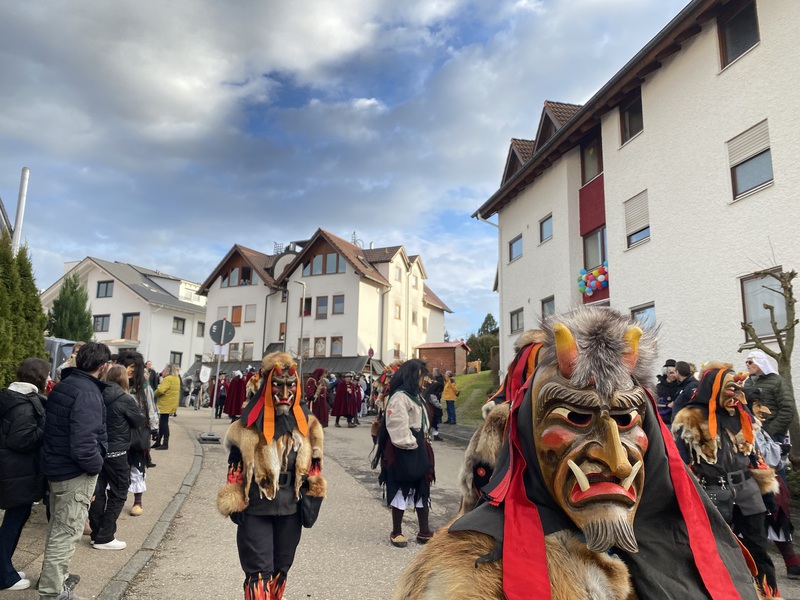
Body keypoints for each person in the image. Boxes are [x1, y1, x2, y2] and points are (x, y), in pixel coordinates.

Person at [392, 308, 759, 600]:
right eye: (576, 418)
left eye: (626, 420)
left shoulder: (693, 548)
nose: (617, 461)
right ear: (528, 435)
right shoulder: (471, 571)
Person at [217, 352, 325, 600]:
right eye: (278, 385)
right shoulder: (244, 426)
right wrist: (235, 500)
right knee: (258, 572)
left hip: (290, 510)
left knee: (280, 570)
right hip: (255, 508)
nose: (285, 392)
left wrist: (313, 495)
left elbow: (315, 466)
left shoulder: (308, 425)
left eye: (291, 385)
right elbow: (235, 467)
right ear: (266, 386)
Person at [673, 362, 779, 597]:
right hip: (712, 495)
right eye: (730, 389)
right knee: (716, 552)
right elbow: (680, 462)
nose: (735, 396)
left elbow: (755, 457)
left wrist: (767, 493)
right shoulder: (691, 418)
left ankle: (768, 594)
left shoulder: (743, 416)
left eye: (737, 390)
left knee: (758, 550)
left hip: (748, 492)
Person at [40, 342, 110, 600]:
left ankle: (55, 581)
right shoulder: (87, 393)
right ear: (103, 366)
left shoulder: (65, 385)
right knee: (66, 532)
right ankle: (52, 593)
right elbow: (84, 445)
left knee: (58, 529)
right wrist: (96, 467)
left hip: (58, 467)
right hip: (73, 472)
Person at [371, 359, 435, 548]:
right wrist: (411, 445)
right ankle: (396, 531)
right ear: (413, 376)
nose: (424, 380)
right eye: (422, 376)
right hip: (404, 448)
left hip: (420, 445)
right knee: (402, 485)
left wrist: (422, 444)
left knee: (422, 485)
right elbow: (397, 425)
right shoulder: (399, 397)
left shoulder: (416, 396)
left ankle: (424, 530)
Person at [0, 358, 49, 591]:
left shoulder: (10, 396)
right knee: (14, 520)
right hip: (17, 471)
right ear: (40, 378)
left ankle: (5, 567)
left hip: (11, 470)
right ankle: (4, 576)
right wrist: (45, 429)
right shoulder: (25, 405)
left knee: (16, 518)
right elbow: (20, 440)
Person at [746, 387, 800, 580]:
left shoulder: (757, 425)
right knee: (757, 526)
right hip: (754, 482)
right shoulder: (746, 426)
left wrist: (781, 450)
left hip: (769, 480)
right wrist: (778, 451)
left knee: (778, 520)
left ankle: (791, 563)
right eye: (757, 405)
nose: (762, 409)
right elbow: (759, 455)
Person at [89, 365, 145, 550]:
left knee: (98, 493)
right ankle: (105, 537)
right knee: (119, 492)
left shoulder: (96, 394)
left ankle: (96, 533)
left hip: (97, 451)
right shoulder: (125, 399)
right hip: (117, 453)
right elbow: (139, 421)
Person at [116, 351, 157, 516]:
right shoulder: (115, 385)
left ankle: (138, 501)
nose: (129, 369)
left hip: (138, 433)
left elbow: (151, 407)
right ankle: (115, 500)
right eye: (127, 366)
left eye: (133, 366)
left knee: (136, 467)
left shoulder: (143, 387)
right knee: (116, 467)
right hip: (118, 432)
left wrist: (154, 428)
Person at [745, 349, 794, 442]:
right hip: (754, 432)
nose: (747, 364)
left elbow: (788, 409)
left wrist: (771, 431)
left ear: (760, 363)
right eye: (746, 362)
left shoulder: (777, 381)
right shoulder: (748, 383)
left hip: (774, 435)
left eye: (750, 362)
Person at [153, 364, 180, 450]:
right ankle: (158, 441)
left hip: (165, 403)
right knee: (163, 422)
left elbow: (161, 390)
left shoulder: (168, 379)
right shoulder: (177, 378)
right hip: (172, 403)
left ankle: (165, 443)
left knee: (163, 423)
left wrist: (155, 392)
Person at [655, 359, 679, 424]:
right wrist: (667, 405)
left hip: (676, 419)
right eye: (671, 373)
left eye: (675, 372)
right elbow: (655, 404)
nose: (674, 375)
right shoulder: (659, 387)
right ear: (666, 373)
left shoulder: (679, 386)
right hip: (663, 420)